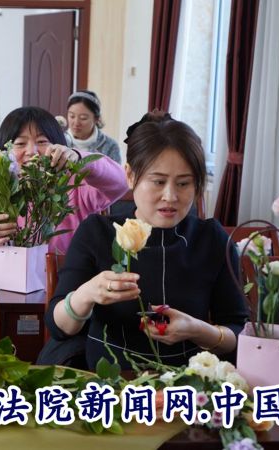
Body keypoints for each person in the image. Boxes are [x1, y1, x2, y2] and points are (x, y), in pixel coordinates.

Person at [43, 111, 249, 369]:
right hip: (106, 381)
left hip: (188, 383)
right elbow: (59, 327)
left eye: (184, 184)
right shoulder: (97, 232)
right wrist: (87, 293)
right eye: (158, 181)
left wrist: (198, 330)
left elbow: (238, 332)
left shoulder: (211, 238)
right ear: (130, 176)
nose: (170, 196)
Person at [0, 106, 128, 274]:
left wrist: (78, 159)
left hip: (69, 284)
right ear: (4, 153)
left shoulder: (75, 186)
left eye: (42, 142)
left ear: (60, 146)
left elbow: (121, 182)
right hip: (12, 286)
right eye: (20, 143)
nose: (32, 151)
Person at [64, 90, 121, 163]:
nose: (76, 123)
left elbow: (115, 170)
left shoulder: (110, 146)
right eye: (72, 116)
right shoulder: (59, 140)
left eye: (83, 118)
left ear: (96, 119)